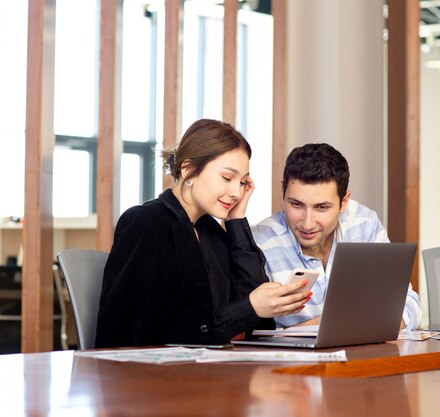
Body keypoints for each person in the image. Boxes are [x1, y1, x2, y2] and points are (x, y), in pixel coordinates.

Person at [95, 119, 310, 348]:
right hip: (156, 373)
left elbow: (257, 322)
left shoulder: (210, 230)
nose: (236, 192)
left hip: (211, 368)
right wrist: (249, 307)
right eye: (227, 178)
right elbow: (136, 331)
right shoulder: (144, 223)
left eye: (242, 182)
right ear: (189, 170)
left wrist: (236, 221)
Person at [252, 143, 422, 329]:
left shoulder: (364, 225)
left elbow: (408, 303)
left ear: (344, 202)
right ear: (283, 192)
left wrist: (330, 326)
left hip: (364, 354)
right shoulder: (259, 243)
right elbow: (249, 332)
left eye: (322, 207)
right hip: (295, 358)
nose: (307, 223)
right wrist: (351, 324)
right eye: (297, 205)